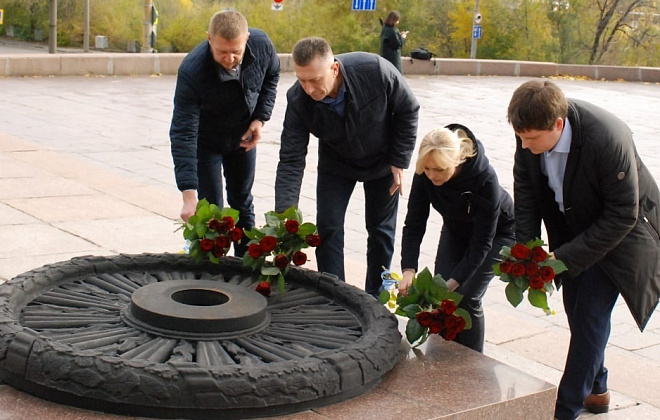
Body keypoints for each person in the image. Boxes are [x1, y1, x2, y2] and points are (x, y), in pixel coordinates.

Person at [507, 79, 660, 420]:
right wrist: (527, 252)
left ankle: (565, 410)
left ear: (558, 125)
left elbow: (624, 214)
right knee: (579, 315)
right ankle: (598, 390)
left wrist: (561, 258)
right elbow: (527, 192)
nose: (524, 144)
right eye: (520, 137)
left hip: (617, 240)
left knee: (590, 320)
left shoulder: (607, 137)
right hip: (571, 231)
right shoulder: (530, 129)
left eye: (531, 138)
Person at [275, 36, 420, 296]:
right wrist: (285, 214)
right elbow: (291, 158)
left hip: (382, 162)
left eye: (315, 80)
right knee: (328, 226)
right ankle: (335, 294)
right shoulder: (298, 99)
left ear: (334, 69)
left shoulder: (374, 71)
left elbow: (408, 108)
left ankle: (376, 296)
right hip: (336, 164)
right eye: (301, 80)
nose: (308, 89)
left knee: (381, 231)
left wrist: (400, 159)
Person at [169, 10, 280, 256]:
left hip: (242, 138)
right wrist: (188, 193)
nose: (230, 58)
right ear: (209, 39)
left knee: (242, 202)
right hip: (207, 142)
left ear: (247, 39)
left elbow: (272, 75)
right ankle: (212, 271)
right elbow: (183, 131)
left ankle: (246, 266)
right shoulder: (192, 70)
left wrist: (260, 118)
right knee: (212, 210)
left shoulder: (262, 46)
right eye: (222, 52)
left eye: (236, 52)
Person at [398, 125, 515, 353]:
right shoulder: (426, 173)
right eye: (428, 169)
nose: (432, 176)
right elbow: (414, 223)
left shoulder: (485, 180)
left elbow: (482, 243)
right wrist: (408, 269)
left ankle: (473, 361)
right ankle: (444, 354)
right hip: (456, 228)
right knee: (440, 297)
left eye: (439, 170)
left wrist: (453, 284)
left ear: (457, 161)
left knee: (466, 296)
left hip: (498, 234)